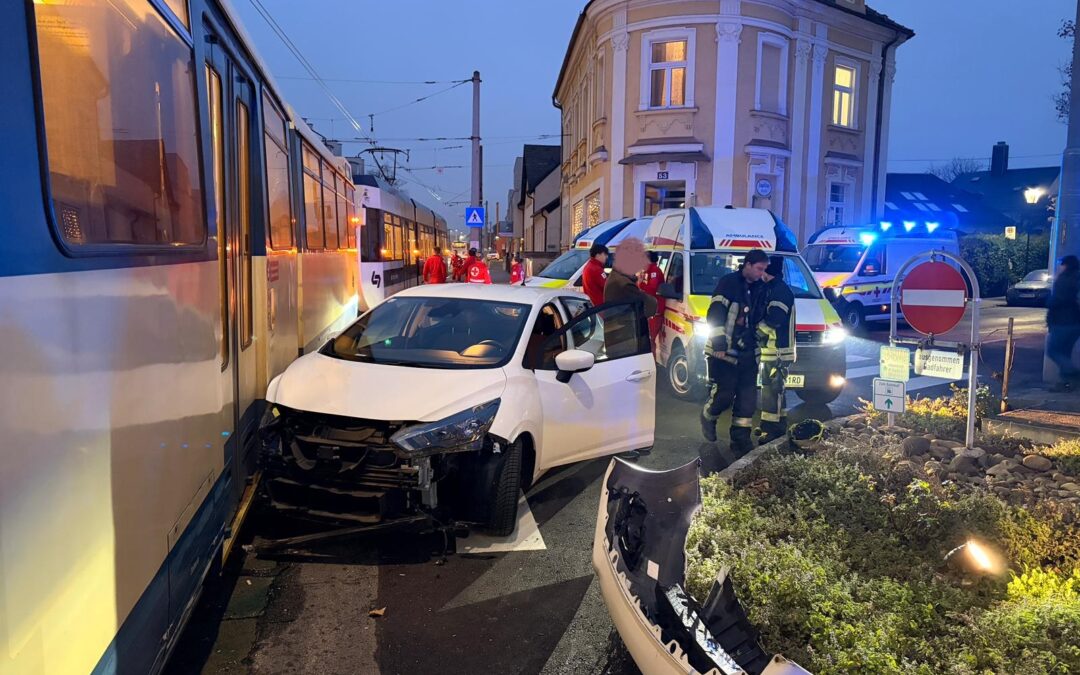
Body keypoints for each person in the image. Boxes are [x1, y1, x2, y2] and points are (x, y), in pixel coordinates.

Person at [701, 248, 769, 455]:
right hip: (725, 353)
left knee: (747, 399)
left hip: (749, 353)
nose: (761, 273)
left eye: (764, 270)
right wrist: (720, 344)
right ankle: (708, 415)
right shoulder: (728, 284)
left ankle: (740, 440)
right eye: (758, 268)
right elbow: (715, 314)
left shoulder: (760, 288)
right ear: (747, 265)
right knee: (725, 395)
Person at [756, 256, 796, 443]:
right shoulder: (775, 289)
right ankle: (776, 426)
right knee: (775, 390)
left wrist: (755, 333)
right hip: (775, 351)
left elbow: (774, 319)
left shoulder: (779, 292)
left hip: (777, 351)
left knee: (772, 391)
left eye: (762, 270)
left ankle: (771, 431)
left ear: (767, 272)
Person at [1047, 254, 1080, 391]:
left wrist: (1048, 301)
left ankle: (1073, 373)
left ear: (1066, 265)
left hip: (1062, 321)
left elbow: (1057, 299)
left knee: (1053, 351)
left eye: (1061, 264)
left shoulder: (1065, 279)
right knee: (1064, 353)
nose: (1059, 267)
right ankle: (1066, 383)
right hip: (1075, 322)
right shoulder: (1076, 278)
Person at [638, 251, 665, 354]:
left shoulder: (655, 272)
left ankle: (652, 364)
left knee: (650, 340)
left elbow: (652, 289)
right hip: (650, 309)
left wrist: (640, 284)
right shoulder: (648, 272)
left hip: (655, 311)